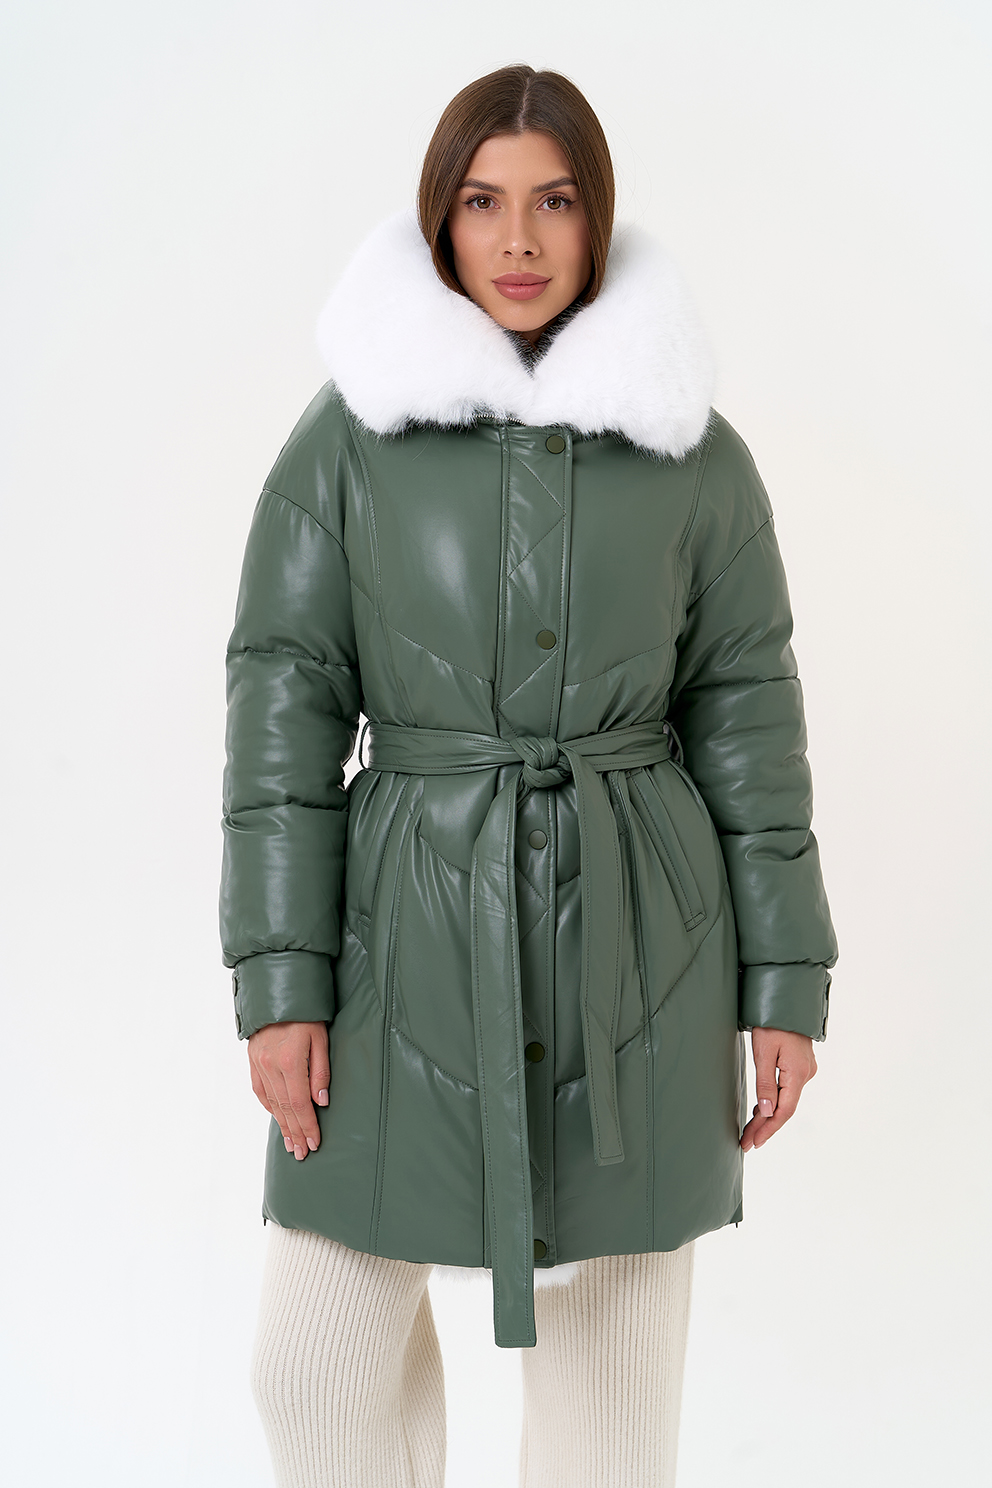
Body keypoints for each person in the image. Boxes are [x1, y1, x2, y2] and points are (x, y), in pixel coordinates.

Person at [219, 63, 838, 1488]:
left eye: (553, 202)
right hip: (397, 947)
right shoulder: (350, 438)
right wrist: (280, 979)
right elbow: (281, 718)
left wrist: (784, 982)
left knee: (611, 1407)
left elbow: (749, 720)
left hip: (641, 954)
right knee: (311, 1367)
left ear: (597, 217)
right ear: (439, 221)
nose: (517, 240)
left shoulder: (693, 455)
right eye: (483, 203)